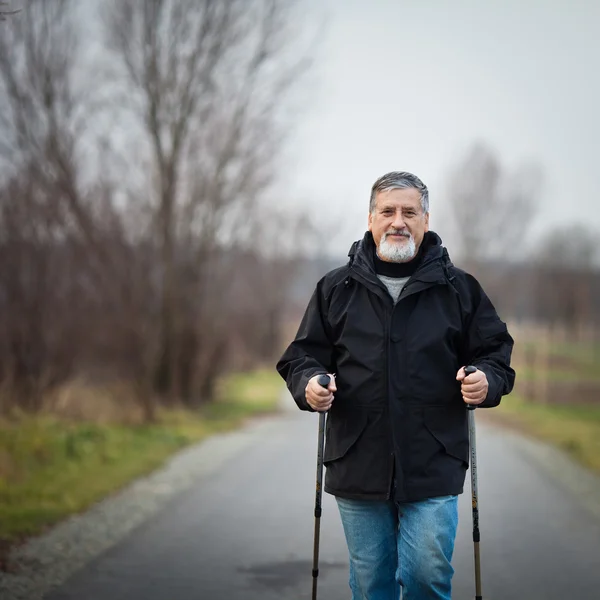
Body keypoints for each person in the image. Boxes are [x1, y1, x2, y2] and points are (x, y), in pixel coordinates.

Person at [276, 171, 515, 600]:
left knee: (426, 575)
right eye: (387, 211)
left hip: (434, 461)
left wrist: (487, 380)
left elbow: (495, 352)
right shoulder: (336, 288)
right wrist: (310, 383)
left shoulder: (459, 289)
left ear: (426, 219)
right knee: (371, 585)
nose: (398, 221)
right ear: (370, 219)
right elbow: (301, 356)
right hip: (357, 461)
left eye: (409, 211)